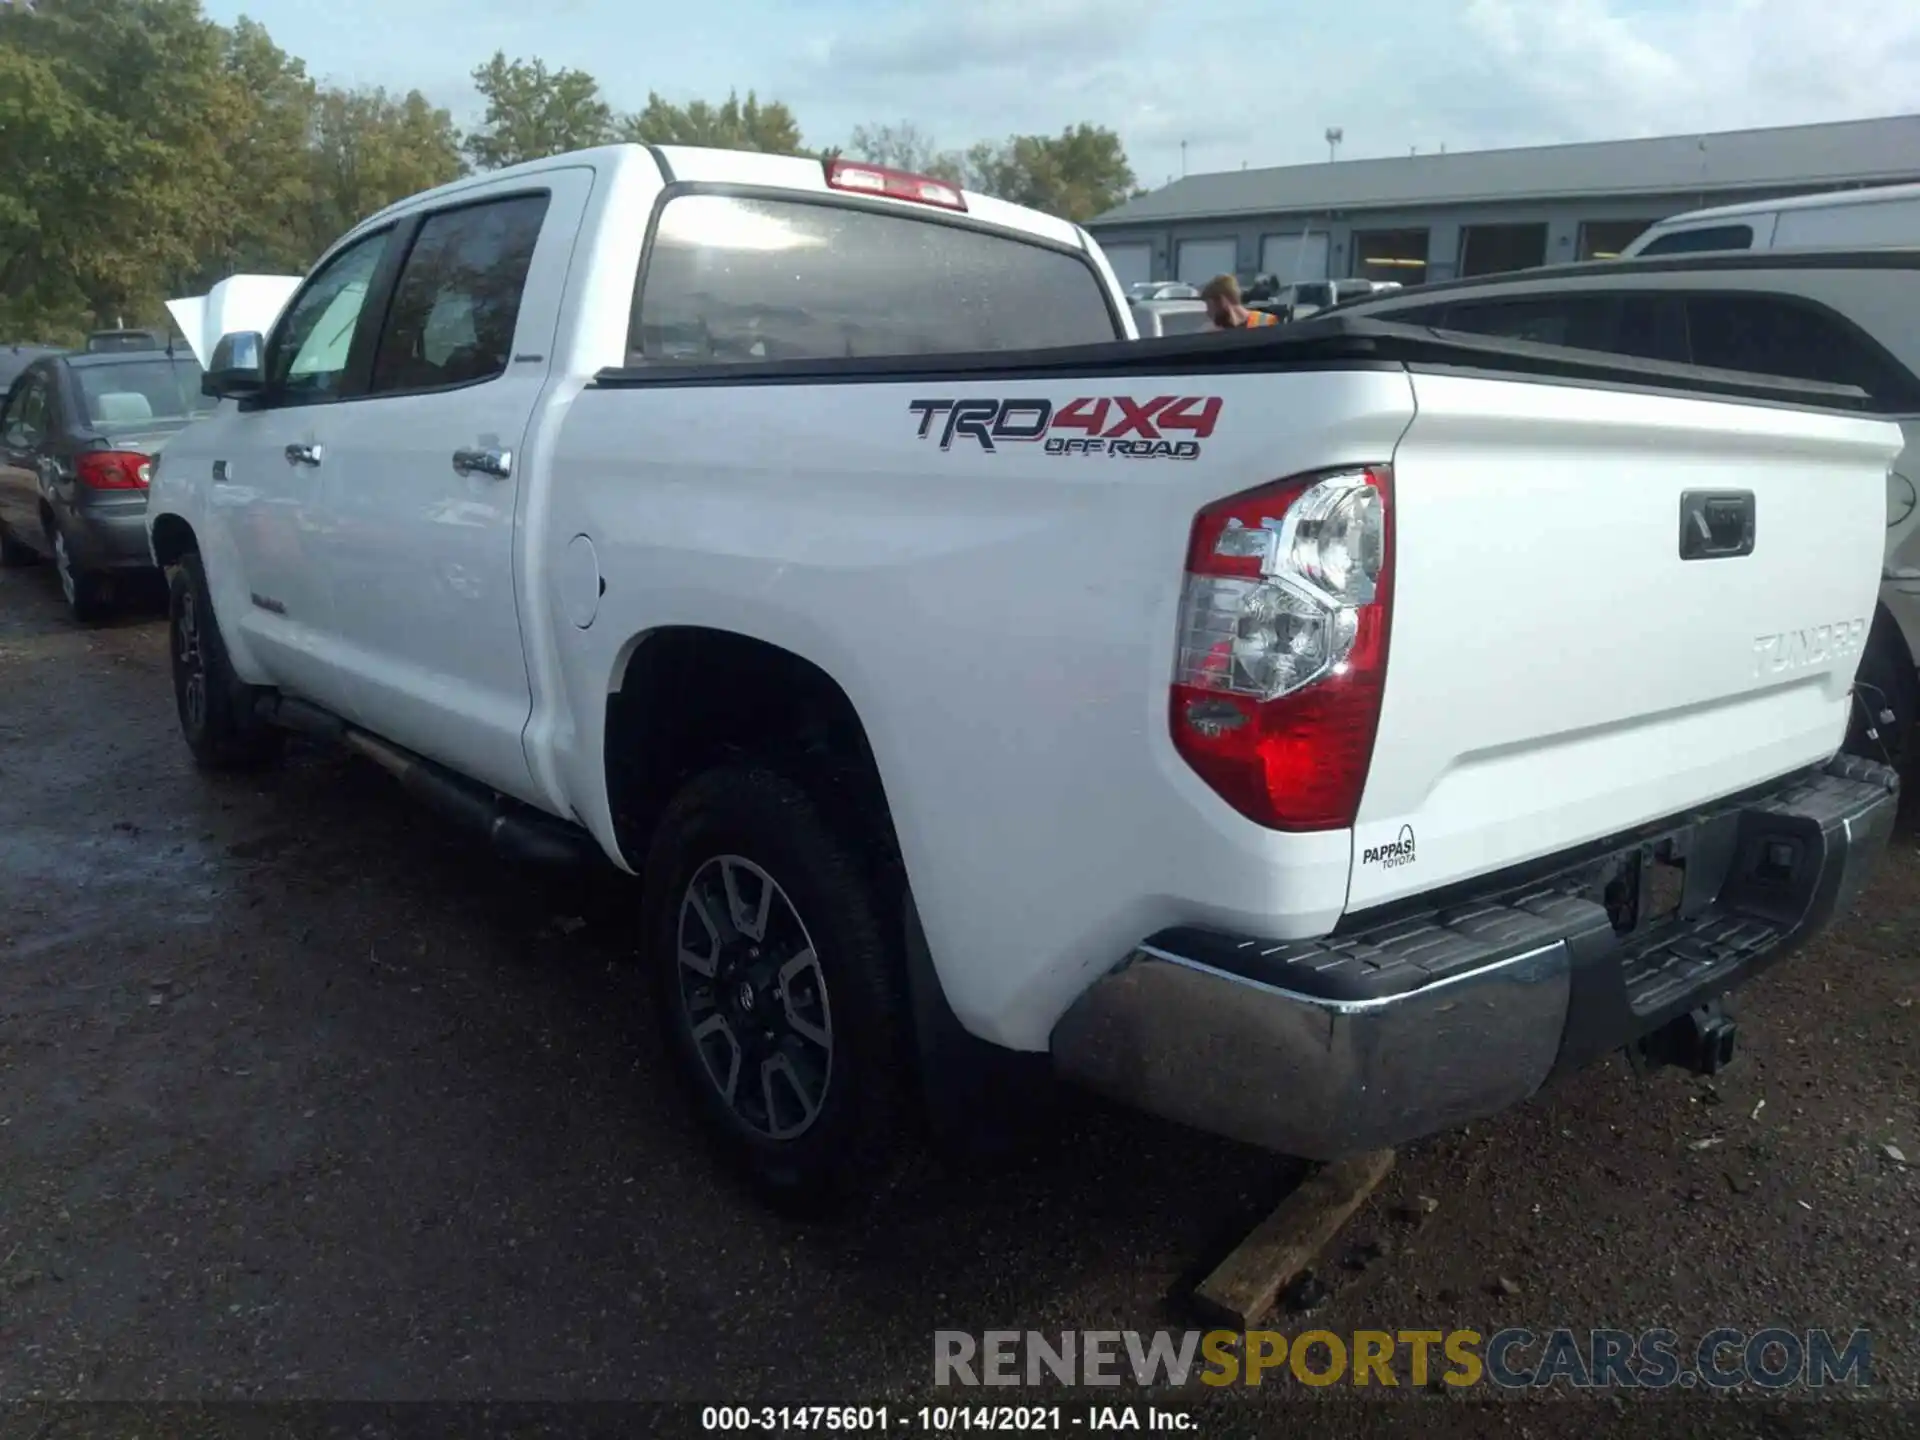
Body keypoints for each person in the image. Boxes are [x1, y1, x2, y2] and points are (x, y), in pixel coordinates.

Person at [1199, 274, 1279, 331]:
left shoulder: (1267, 323)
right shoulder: (1214, 332)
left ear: (1222, 301)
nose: (1208, 313)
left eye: (1209, 306)